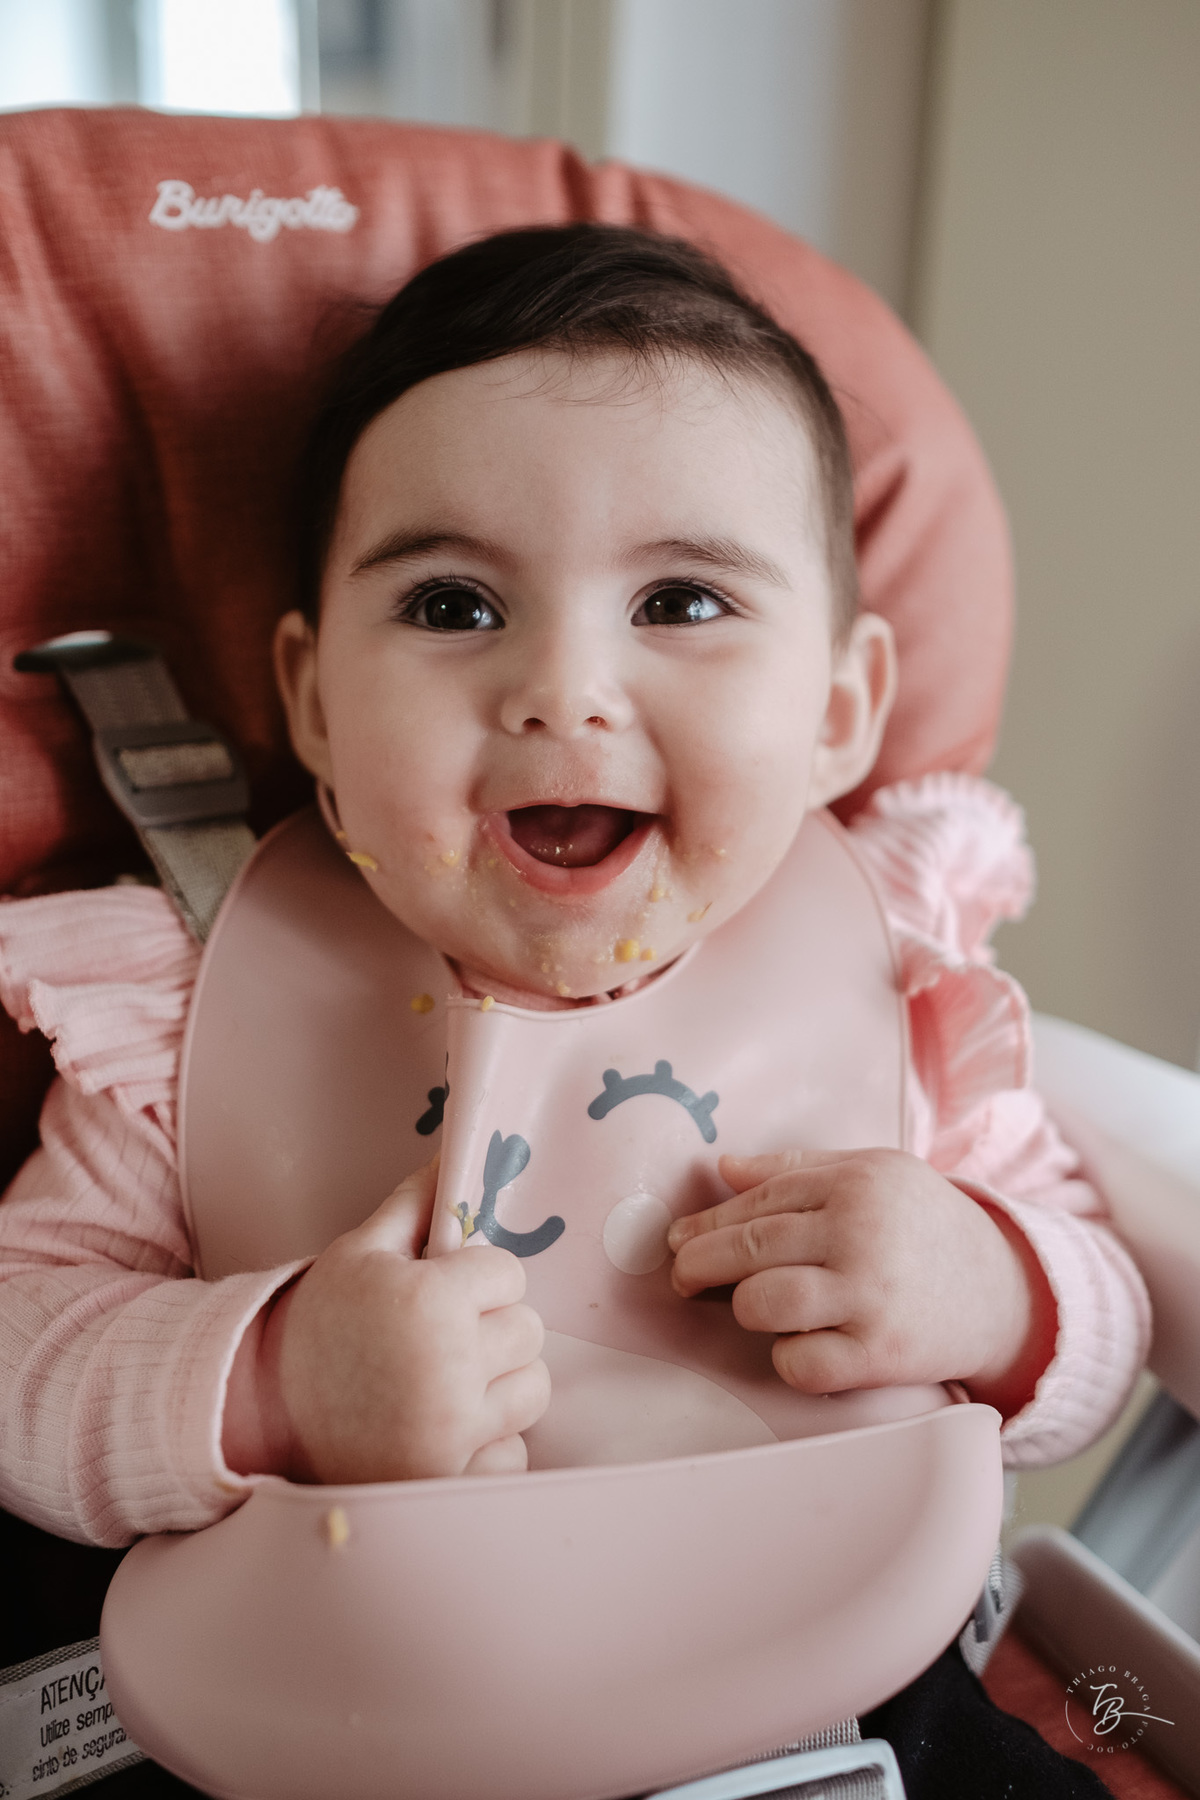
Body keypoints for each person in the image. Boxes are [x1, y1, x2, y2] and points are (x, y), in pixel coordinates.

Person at [0, 226, 1144, 1795]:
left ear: (836, 713)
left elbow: (1109, 1306)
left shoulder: (893, 988)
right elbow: (21, 1349)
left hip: (829, 1690)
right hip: (338, 1702)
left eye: (681, 600)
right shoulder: (192, 1000)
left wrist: (997, 1290)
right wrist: (270, 1377)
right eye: (458, 606)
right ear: (317, 700)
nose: (565, 687)